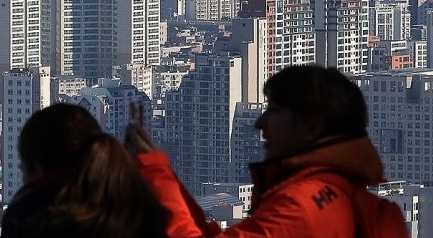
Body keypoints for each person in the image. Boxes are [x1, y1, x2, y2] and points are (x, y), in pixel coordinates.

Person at [128, 64, 409, 238]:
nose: (260, 123)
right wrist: (161, 174)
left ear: (311, 127)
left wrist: (155, 171)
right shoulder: (377, 210)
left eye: (274, 112)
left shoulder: (300, 206)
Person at [1, 102, 169, 238]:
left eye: (23, 170)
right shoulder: (142, 216)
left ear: (37, 170)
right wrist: (156, 172)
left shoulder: (27, 222)